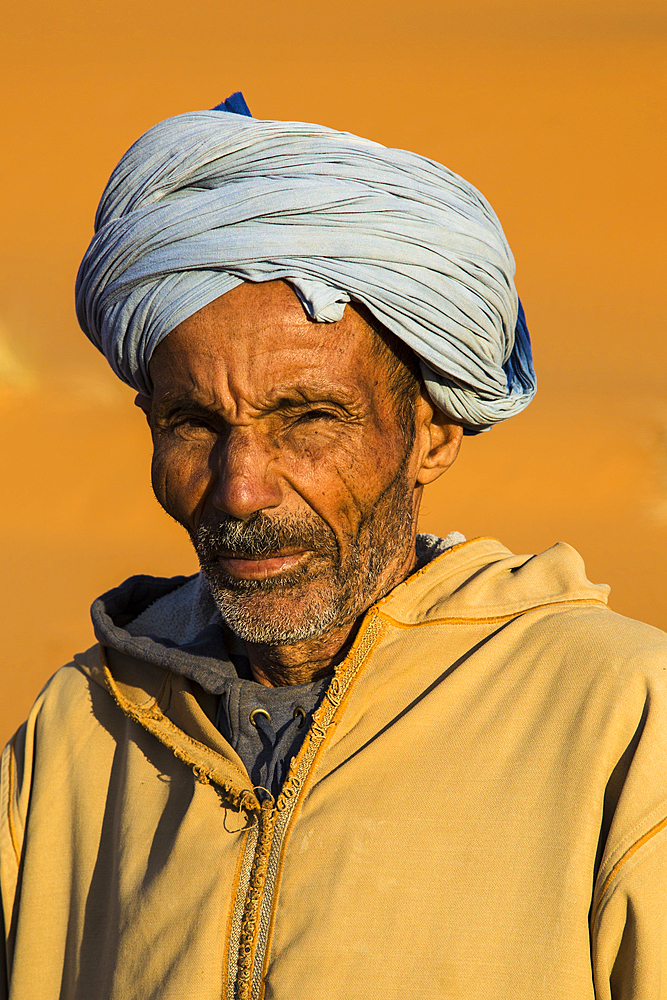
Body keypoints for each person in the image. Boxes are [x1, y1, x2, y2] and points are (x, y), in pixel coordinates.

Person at [1, 93, 666, 1000]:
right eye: (192, 422)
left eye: (309, 418)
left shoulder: (619, 719)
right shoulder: (77, 734)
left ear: (431, 432)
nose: (239, 488)